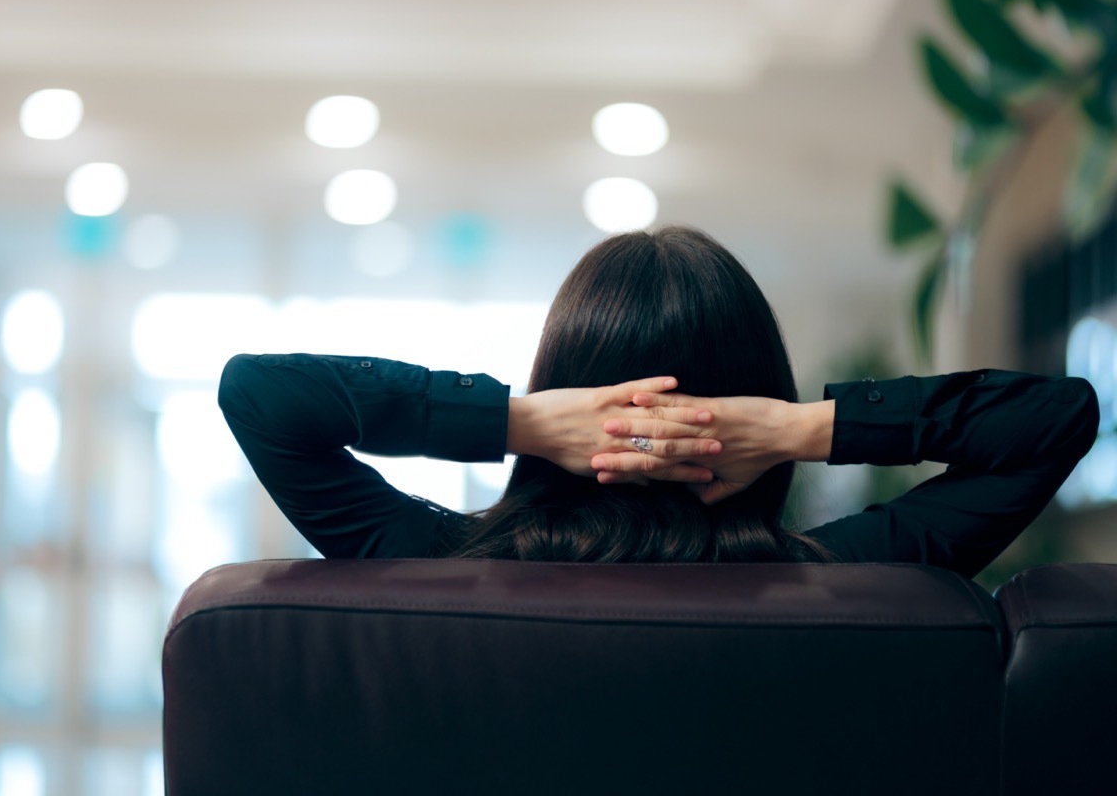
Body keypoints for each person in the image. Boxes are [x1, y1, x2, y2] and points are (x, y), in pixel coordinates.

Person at [218, 226, 1099, 578]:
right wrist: (799, 428)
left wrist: (517, 421)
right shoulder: (850, 579)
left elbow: (259, 396)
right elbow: (1055, 420)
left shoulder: (434, 566)